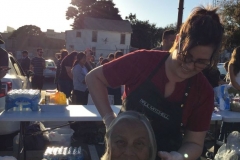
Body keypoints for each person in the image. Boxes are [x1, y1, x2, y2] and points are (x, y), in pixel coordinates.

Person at [86, 5, 224, 160]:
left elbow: (194, 143)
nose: (189, 66)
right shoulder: (143, 61)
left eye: (201, 62)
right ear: (177, 40)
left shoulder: (203, 92)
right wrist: (109, 120)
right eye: (186, 55)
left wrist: (180, 156)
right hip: (123, 153)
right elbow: (94, 78)